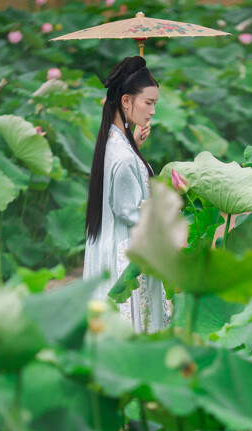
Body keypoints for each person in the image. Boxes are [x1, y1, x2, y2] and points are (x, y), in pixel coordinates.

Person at [83, 56, 171, 334]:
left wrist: (134, 144)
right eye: (149, 102)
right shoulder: (122, 157)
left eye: (154, 103)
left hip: (115, 243)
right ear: (125, 101)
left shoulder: (115, 140)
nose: (152, 111)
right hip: (128, 253)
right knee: (135, 329)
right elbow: (128, 210)